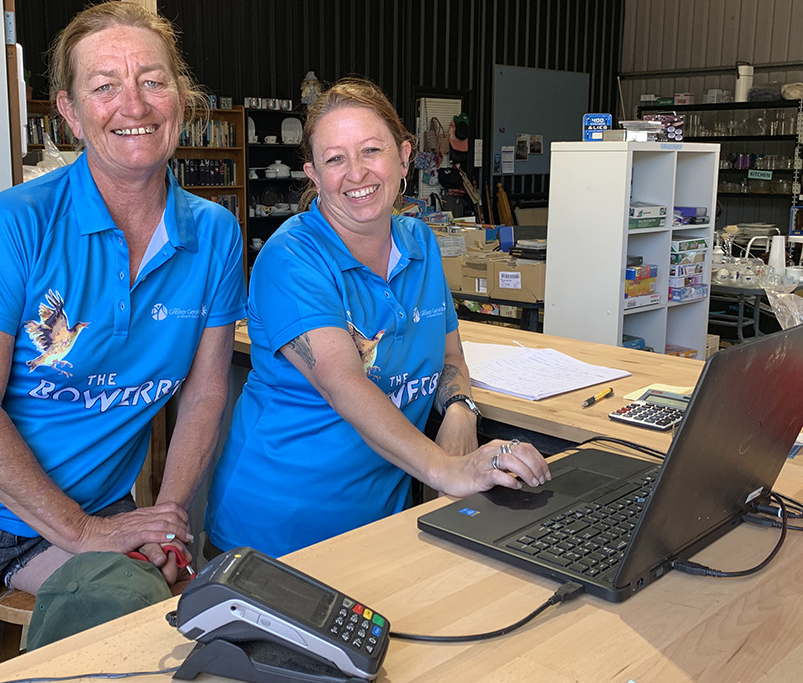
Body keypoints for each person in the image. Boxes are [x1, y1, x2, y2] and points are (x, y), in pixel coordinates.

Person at [0, 1, 246, 683]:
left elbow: (206, 391)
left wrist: (169, 516)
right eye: (105, 85)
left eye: (153, 79)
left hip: (89, 500)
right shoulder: (17, 221)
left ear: (181, 96)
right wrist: (85, 534)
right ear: (68, 111)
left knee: (142, 636)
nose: (134, 104)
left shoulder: (213, 233)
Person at [204, 77, 549, 558]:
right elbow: (342, 381)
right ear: (313, 174)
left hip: (379, 525)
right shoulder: (292, 257)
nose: (356, 172)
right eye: (335, 159)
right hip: (277, 532)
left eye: (371, 150)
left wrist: (458, 408)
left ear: (404, 156)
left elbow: (449, 352)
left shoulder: (421, 244)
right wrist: (446, 468)